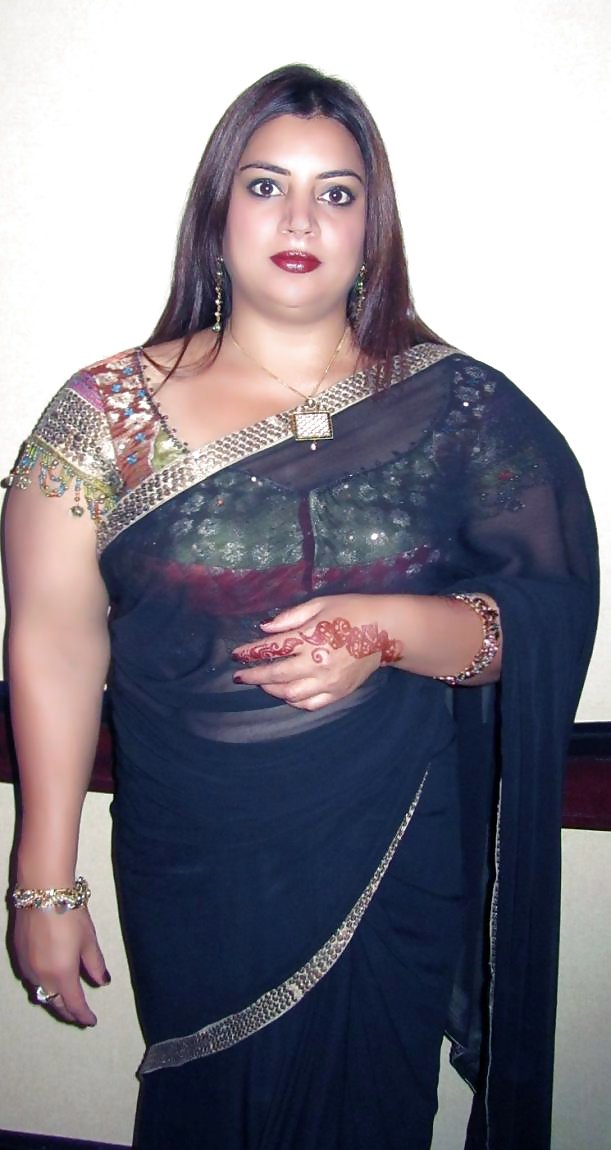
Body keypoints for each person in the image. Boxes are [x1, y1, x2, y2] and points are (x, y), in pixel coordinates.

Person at [3, 63, 598, 1150]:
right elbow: (53, 636)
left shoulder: (458, 408)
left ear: (372, 228)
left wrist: (386, 631)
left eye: (336, 193)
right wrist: (44, 881)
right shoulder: (104, 413)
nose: (298, 220)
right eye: (266, 185)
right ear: (217, 211)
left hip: (390, 850)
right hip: (198, 861)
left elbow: (540, 619)